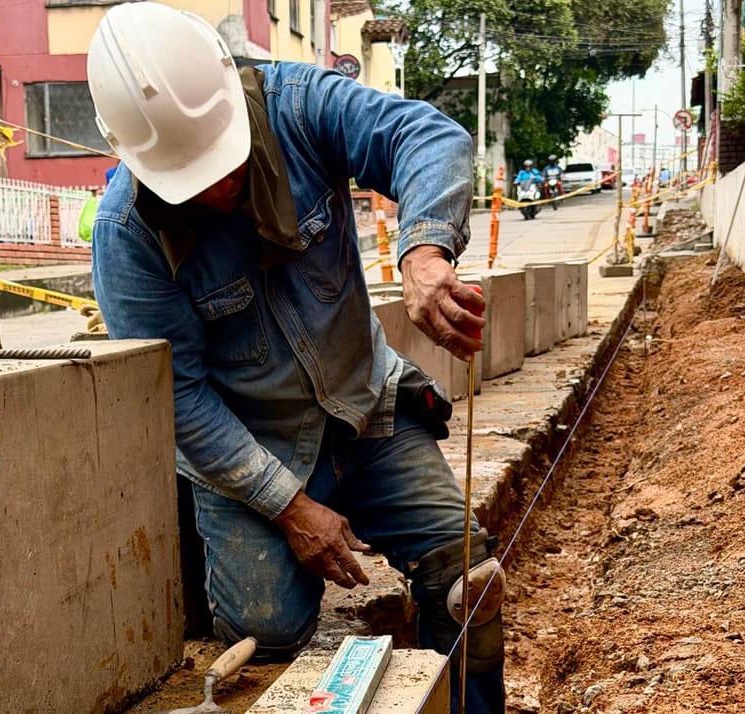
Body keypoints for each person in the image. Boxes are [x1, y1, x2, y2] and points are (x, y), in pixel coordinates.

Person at [86, 4, 506, 712]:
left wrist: (425, 248)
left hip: (368, 410)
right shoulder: (129, 234)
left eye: (224, 164)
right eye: (191, 181)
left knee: (468, 581)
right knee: (265, 630)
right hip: (254, 448)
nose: (217, 191)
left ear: (234, 96)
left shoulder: (301, 105)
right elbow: (180, 399)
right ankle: (210, 560)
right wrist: (289, 506)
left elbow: (427, 135)